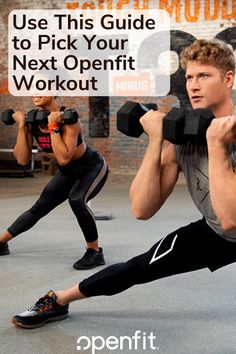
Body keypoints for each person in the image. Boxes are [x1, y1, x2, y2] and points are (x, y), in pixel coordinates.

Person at [12, 39, 236, 329]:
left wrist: (216, 145)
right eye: (189, 77)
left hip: (228, 224)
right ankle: (59, 300)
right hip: (214, 232)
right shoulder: (182, 139)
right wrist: (157, 140)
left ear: (228, 78)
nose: (193, 85)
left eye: (203, 76)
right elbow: (142, 209)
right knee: (138, 267)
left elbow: (232, 218)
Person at [0, 96, 109, 270]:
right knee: (39, 207)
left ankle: (95, 252)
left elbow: (64, 158)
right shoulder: (31, 120)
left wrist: (52, 127)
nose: (36, 93)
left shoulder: (69, 119)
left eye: (42, 87)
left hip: (91, 167)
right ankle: (2, 242)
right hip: (67, 173)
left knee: (77, 199)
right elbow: (22, 159)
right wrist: (22, 127)